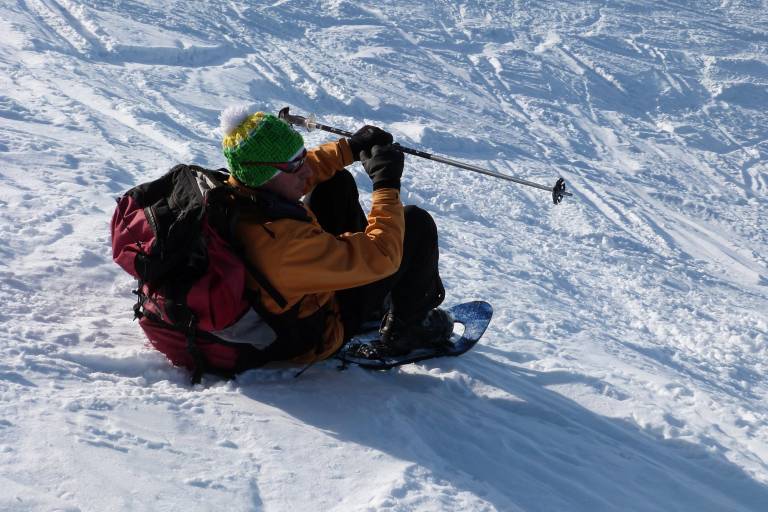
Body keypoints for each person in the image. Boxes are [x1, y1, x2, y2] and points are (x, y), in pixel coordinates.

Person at [219, 106, 452, 365]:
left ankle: (375, 303)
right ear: (264, 174)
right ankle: (409, 332)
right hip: (317, 331)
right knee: (414, 225)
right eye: (296, 165)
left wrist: (348, 149)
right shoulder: (283, 245)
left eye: (303, 157)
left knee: (333, 182)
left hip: (291, 291)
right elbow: (383, 254)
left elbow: (302, 171)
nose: (306, 170)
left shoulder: (239, 190)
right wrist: (386, 185)